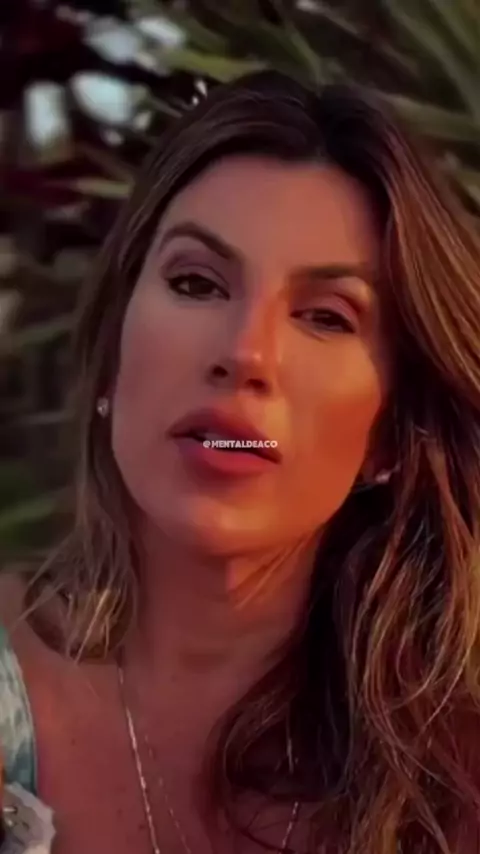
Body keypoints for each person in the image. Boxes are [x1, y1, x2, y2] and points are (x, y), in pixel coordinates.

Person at [1, 68, 480, 854]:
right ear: (113, 356)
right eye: (196, 283)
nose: (246, 353)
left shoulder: (456, 789)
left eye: (326, 317)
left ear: (392, 436)